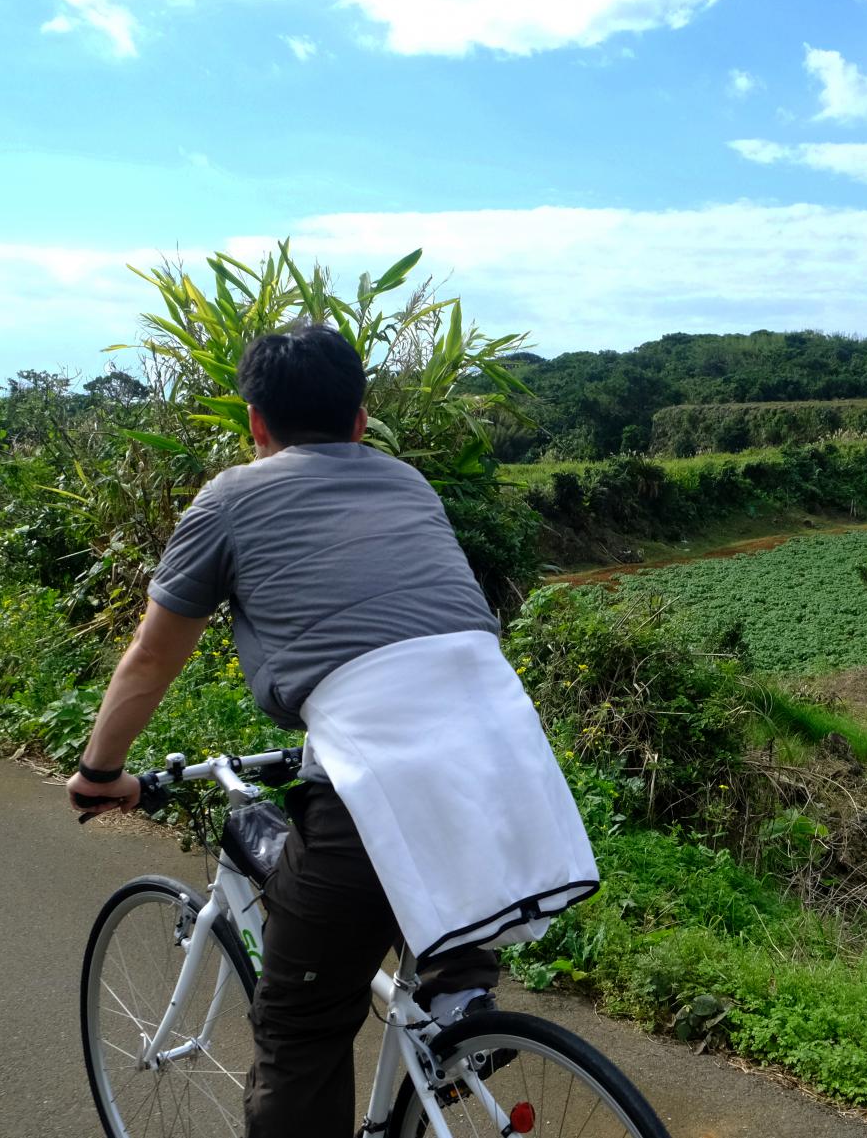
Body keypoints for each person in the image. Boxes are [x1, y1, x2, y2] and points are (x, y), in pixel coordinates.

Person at [65, 323, 597, 1138]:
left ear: (255, 424)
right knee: (436, 925)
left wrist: (101, 772)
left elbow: (149, 659)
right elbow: (406, 646)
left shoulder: (232, 497)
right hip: (507, 769)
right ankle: (460, 994)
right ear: (360, 420)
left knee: (302, 1034)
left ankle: (442, 1014)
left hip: (377, 789)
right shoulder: (408, 483)